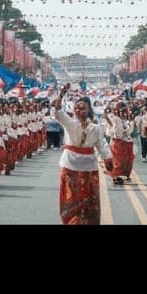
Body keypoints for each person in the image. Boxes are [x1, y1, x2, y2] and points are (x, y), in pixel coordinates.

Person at [50, 83, 112, 224]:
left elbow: (101, 144)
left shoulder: (95, 128)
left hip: (88, 167)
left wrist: (108, 158)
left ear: (89, 109)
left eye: (82, 108)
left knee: (89, 198)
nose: (79, 111)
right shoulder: (69, 123)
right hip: (69, 165)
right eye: (76, 108)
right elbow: (57, 112)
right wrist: (61, 95)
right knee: (71, 198)